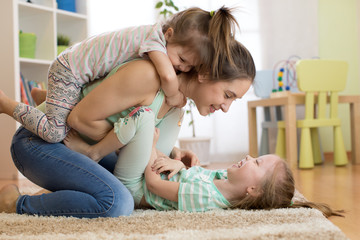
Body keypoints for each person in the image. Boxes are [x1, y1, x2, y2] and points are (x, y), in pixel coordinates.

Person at [0, 39, 256, 218]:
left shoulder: (178, 105)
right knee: (116, 202)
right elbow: (79, 120)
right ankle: (16, 203)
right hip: (41, 141)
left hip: (77, 145)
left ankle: (68, 187)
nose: (226, 107)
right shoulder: (147, 76)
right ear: (206, 74)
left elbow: (139, 140)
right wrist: (143, 145)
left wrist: (169, 155)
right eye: (228, 94)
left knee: (131, 185)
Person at [0, 6, 239, 143]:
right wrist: (175, 95)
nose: (182, 69)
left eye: (189, 67)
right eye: (182, 60)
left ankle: (45, 97)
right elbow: (167, 78)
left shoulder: (163, 42)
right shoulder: (154, 41)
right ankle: (6, 103)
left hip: (78, 72)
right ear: (168, 34)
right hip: (69, 71)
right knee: (54, 133)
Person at [143, 132, 344, 217]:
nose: (248, 156)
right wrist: (178, 163)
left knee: (146, 131)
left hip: (141, 185)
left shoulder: (206, 197)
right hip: (157, 169)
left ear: (253, 189)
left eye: (256, 162)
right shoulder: (224, 178)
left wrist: (149, 145)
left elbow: (153, 185)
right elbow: (189, 176)